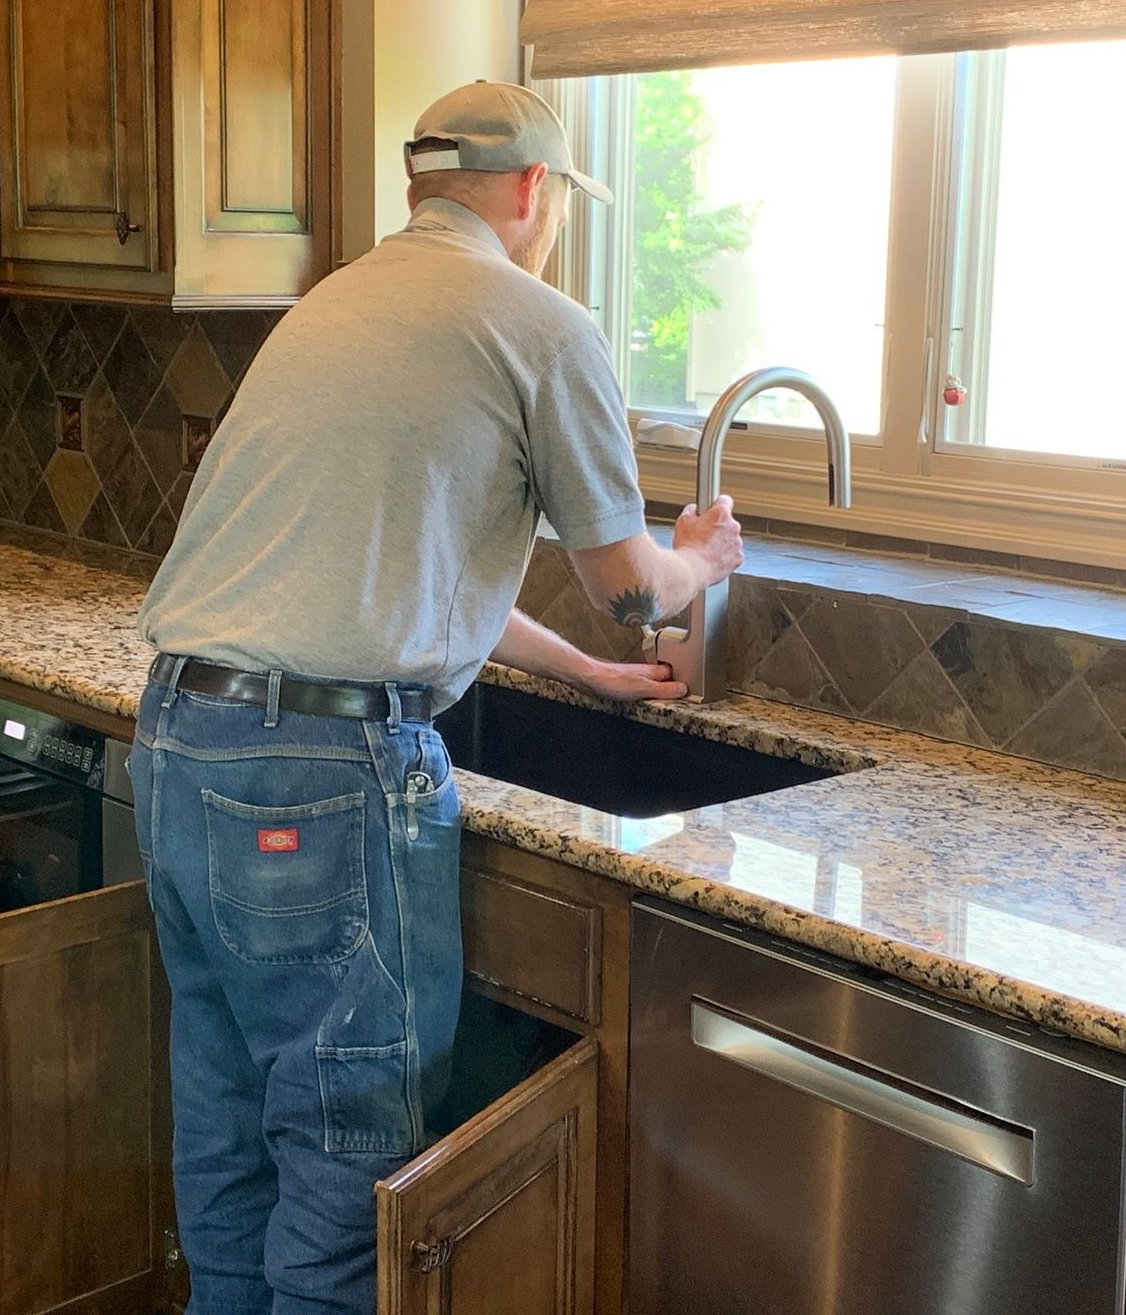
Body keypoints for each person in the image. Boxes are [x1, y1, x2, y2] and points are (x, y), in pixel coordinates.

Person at [130, 79, 745, 1315]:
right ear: (534, 193)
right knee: (349, 1166)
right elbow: (631, 587)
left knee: (232, 1128)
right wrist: (705, 562)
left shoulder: (334, 306)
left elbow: (400, 579)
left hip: (179, 741)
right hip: (322, 774)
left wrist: (581, 674)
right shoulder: (541, 325)